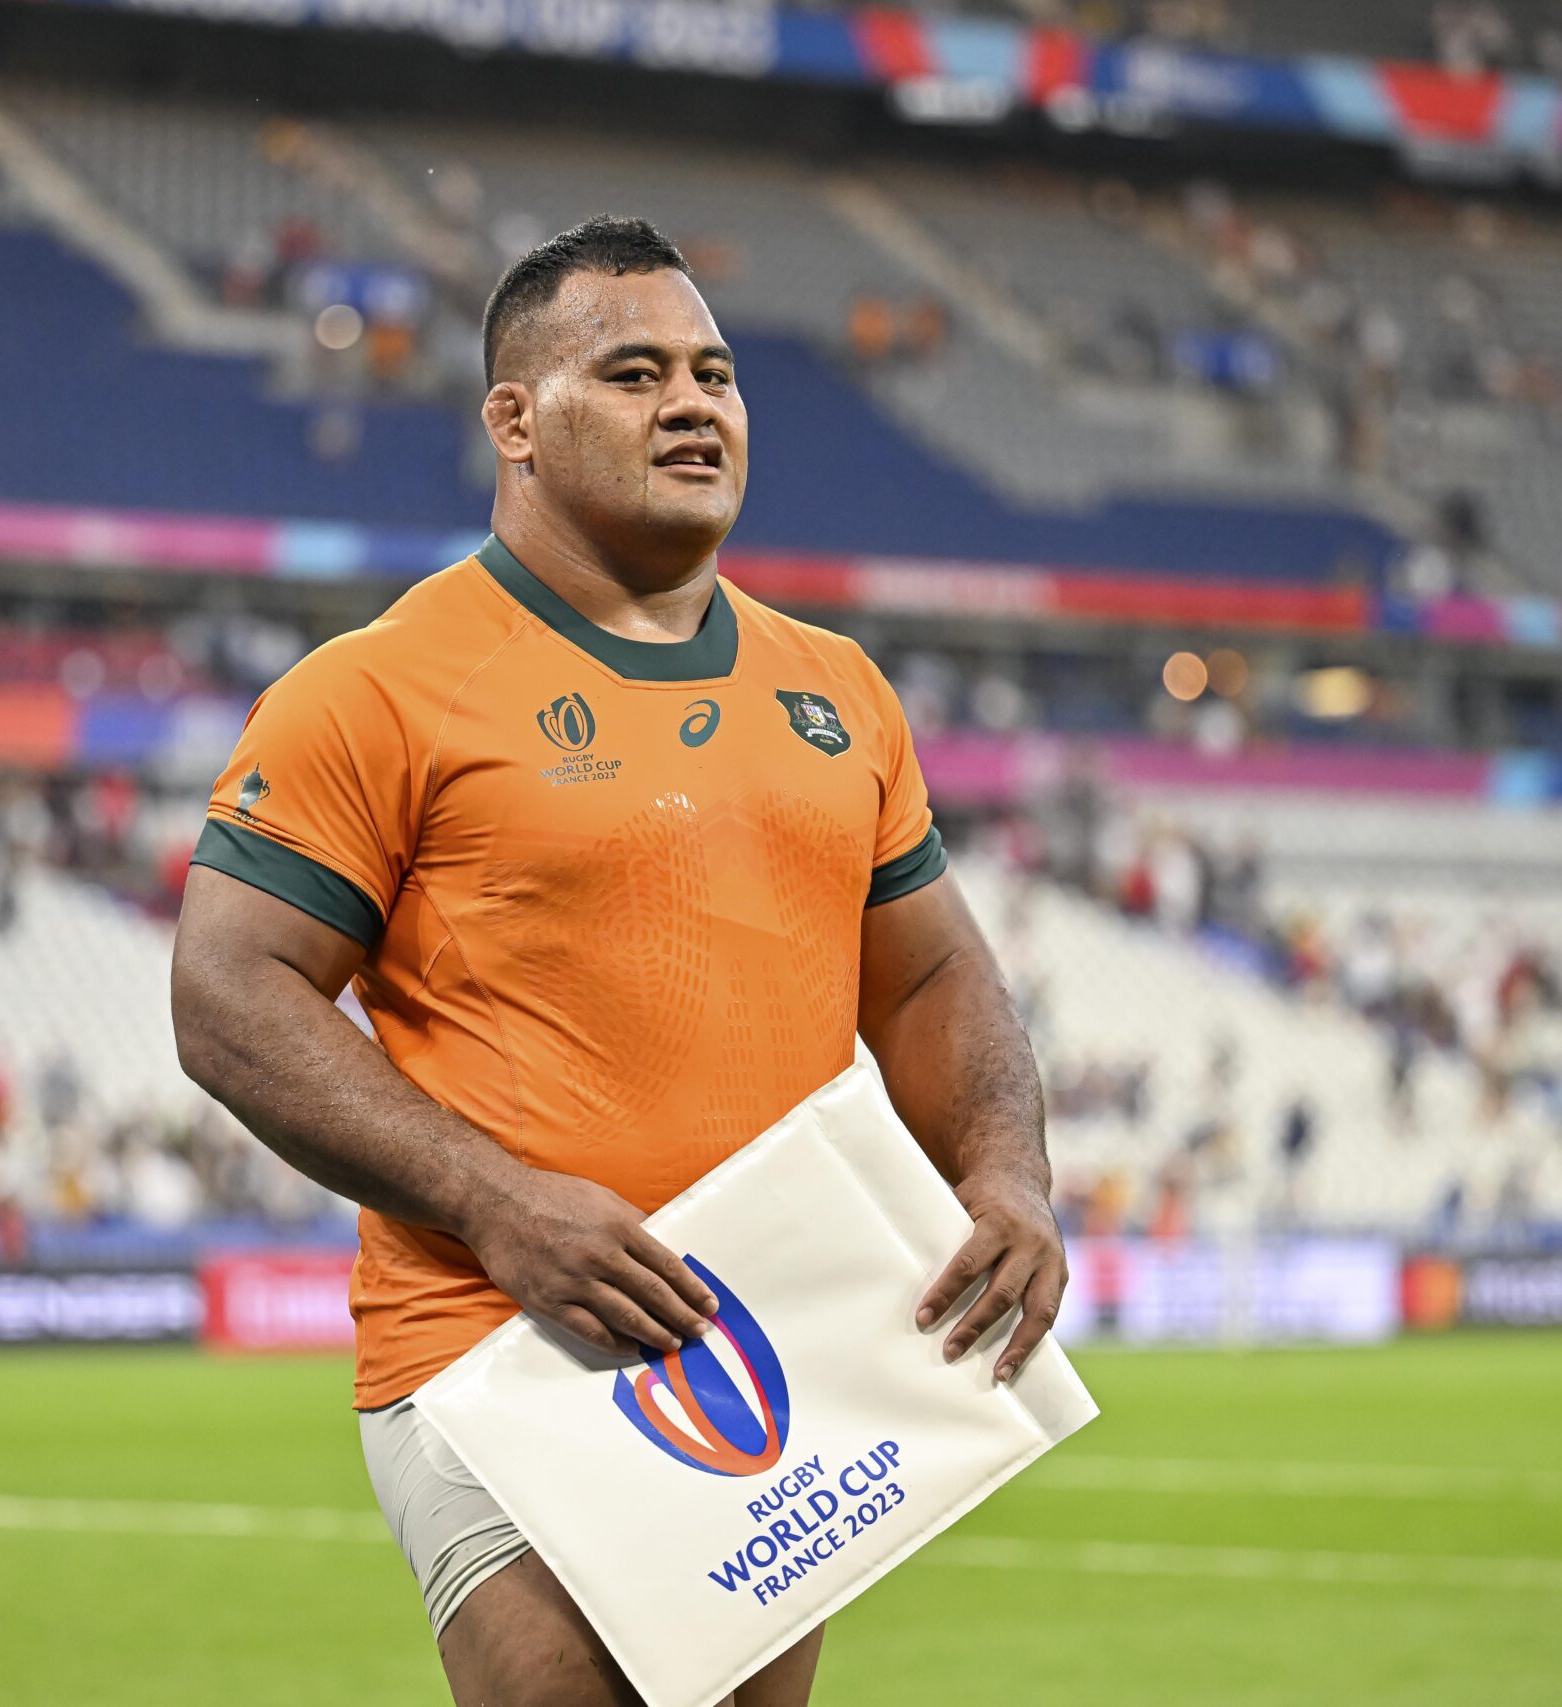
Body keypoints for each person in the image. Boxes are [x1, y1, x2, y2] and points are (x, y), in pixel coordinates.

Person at [171, 217, 1063, 1707]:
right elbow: (227, 990)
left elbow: (925, 979)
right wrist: (494, 1200)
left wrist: (1008, 1172)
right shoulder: (377, 686)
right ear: (513, 421)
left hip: (761, 1338)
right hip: (499, 1337)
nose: (693, 403)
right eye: (635, 371)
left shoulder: (835, 688)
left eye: (714, 372)